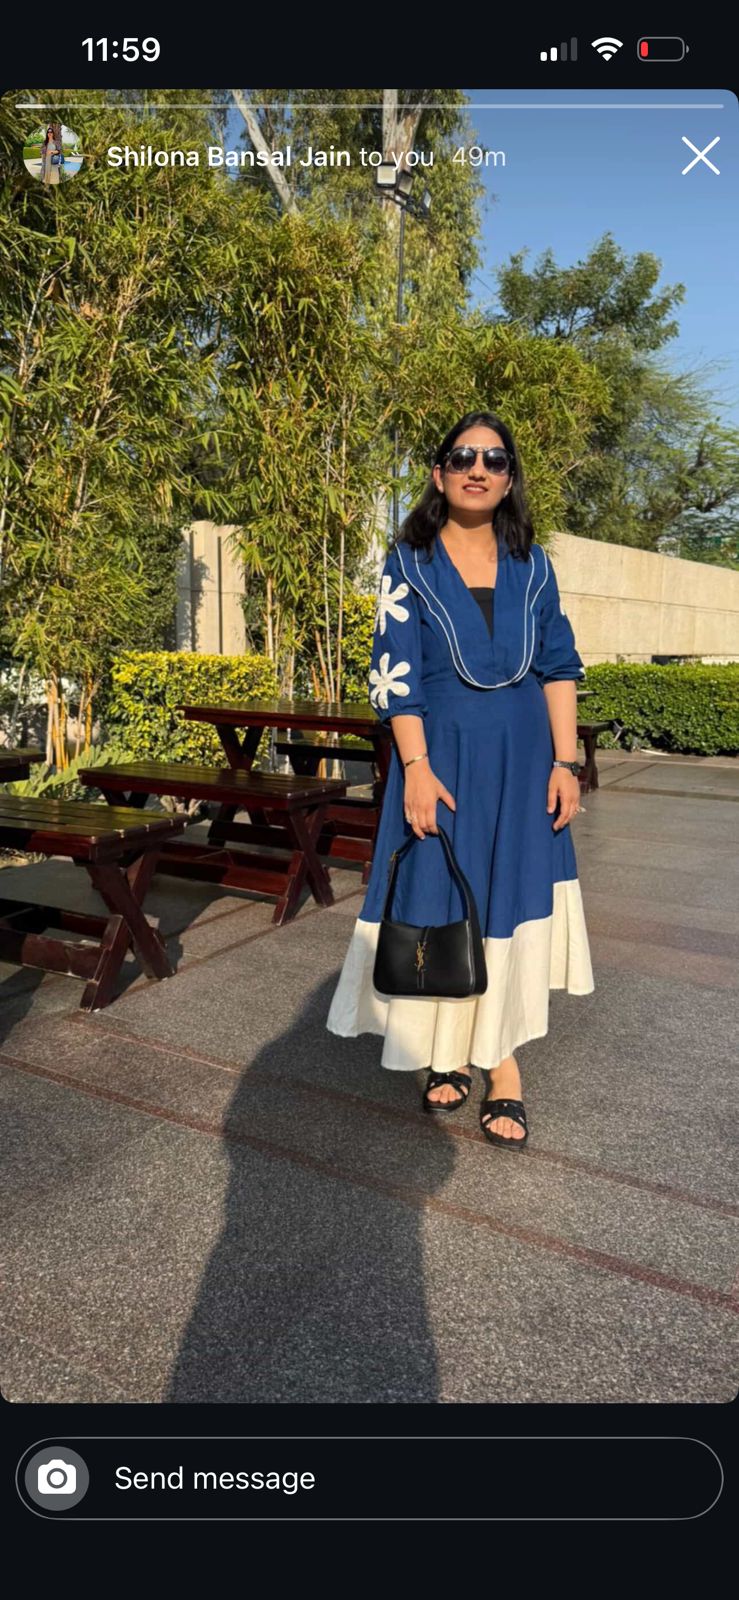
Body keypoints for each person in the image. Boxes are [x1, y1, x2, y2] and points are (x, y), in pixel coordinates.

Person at [326, 411, 595, 1149]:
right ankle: (443, 1051)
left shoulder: (533, 564)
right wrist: (413, 767)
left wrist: (565, 762)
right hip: (438, 757)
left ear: (510, 478)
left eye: (494, 459)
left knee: (505, 902)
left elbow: (558, 667)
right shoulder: (406, 561)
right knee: (441, 896)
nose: (478, 469)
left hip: (521, 763)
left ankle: (502, 1068)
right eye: (462, 456)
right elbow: (394, 676)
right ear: (439, 473)